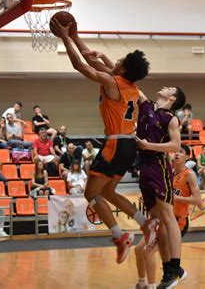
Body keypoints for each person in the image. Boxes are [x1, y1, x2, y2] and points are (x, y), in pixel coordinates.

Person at [51, 18, 153, 264]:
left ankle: (120, 237)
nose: (114, 62)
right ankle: (145, 223)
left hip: (116, 144)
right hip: (129, 145)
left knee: (90, 194)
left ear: (123, 70)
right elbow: (94, 61)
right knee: (108, 191)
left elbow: (82, 66)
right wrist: (75, 36)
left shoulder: (112, 82)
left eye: (119, 61)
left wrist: (65, 38)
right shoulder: (130, 86)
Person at [135, 86, 187, 288]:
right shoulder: (148, 108)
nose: (163, 87)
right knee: (159, 220)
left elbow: (175, 146)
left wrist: (149, 146)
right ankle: (167, 269)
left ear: (172, 97)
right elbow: (131, 85)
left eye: (169, 88)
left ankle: (176, 267)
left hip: (158, 167)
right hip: (144, 168)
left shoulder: (171, 118)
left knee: (167, 216)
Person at [134, 144, 203, 289]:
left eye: (181, 152)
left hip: (178, 221)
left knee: (148, 252)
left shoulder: (189, 174)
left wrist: (175, 198)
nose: (177, 154)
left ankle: (155, 284)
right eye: (175, 152)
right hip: (162, 220)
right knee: (139, 250)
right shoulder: (168, 173)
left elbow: (198, 200)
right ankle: (141, 283)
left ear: (187, 157)